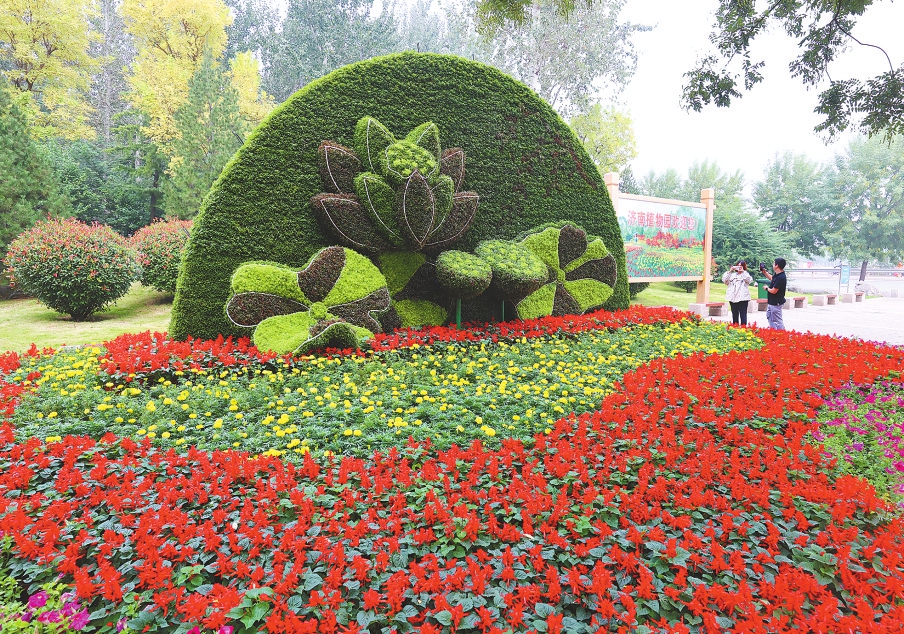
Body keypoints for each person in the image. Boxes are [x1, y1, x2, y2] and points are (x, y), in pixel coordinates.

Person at [721, 260, 754, 325]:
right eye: (738, 266)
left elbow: (749, 280)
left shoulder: (746, 274)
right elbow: (725, 280)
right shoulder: (732, 275)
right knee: (734, 315)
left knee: (743, 315)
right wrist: (730, 270)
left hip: (743, 298)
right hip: (733, 298)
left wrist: (743, 272)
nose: (739, 267)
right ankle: (735, 329)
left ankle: (744, 330)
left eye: (741, 266)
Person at [760, 258, 787, 330]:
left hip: (776, 302)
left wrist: (766, 288)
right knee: (769, 316)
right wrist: (765, 273)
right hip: (772, 302)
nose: (772, 265)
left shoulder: (781, 277)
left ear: (777, 265)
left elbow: (774, 291)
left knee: (777, 320)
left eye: (773, 263)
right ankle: (773, 331)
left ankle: (782, 334)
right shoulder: (778, 275)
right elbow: (772, 278)